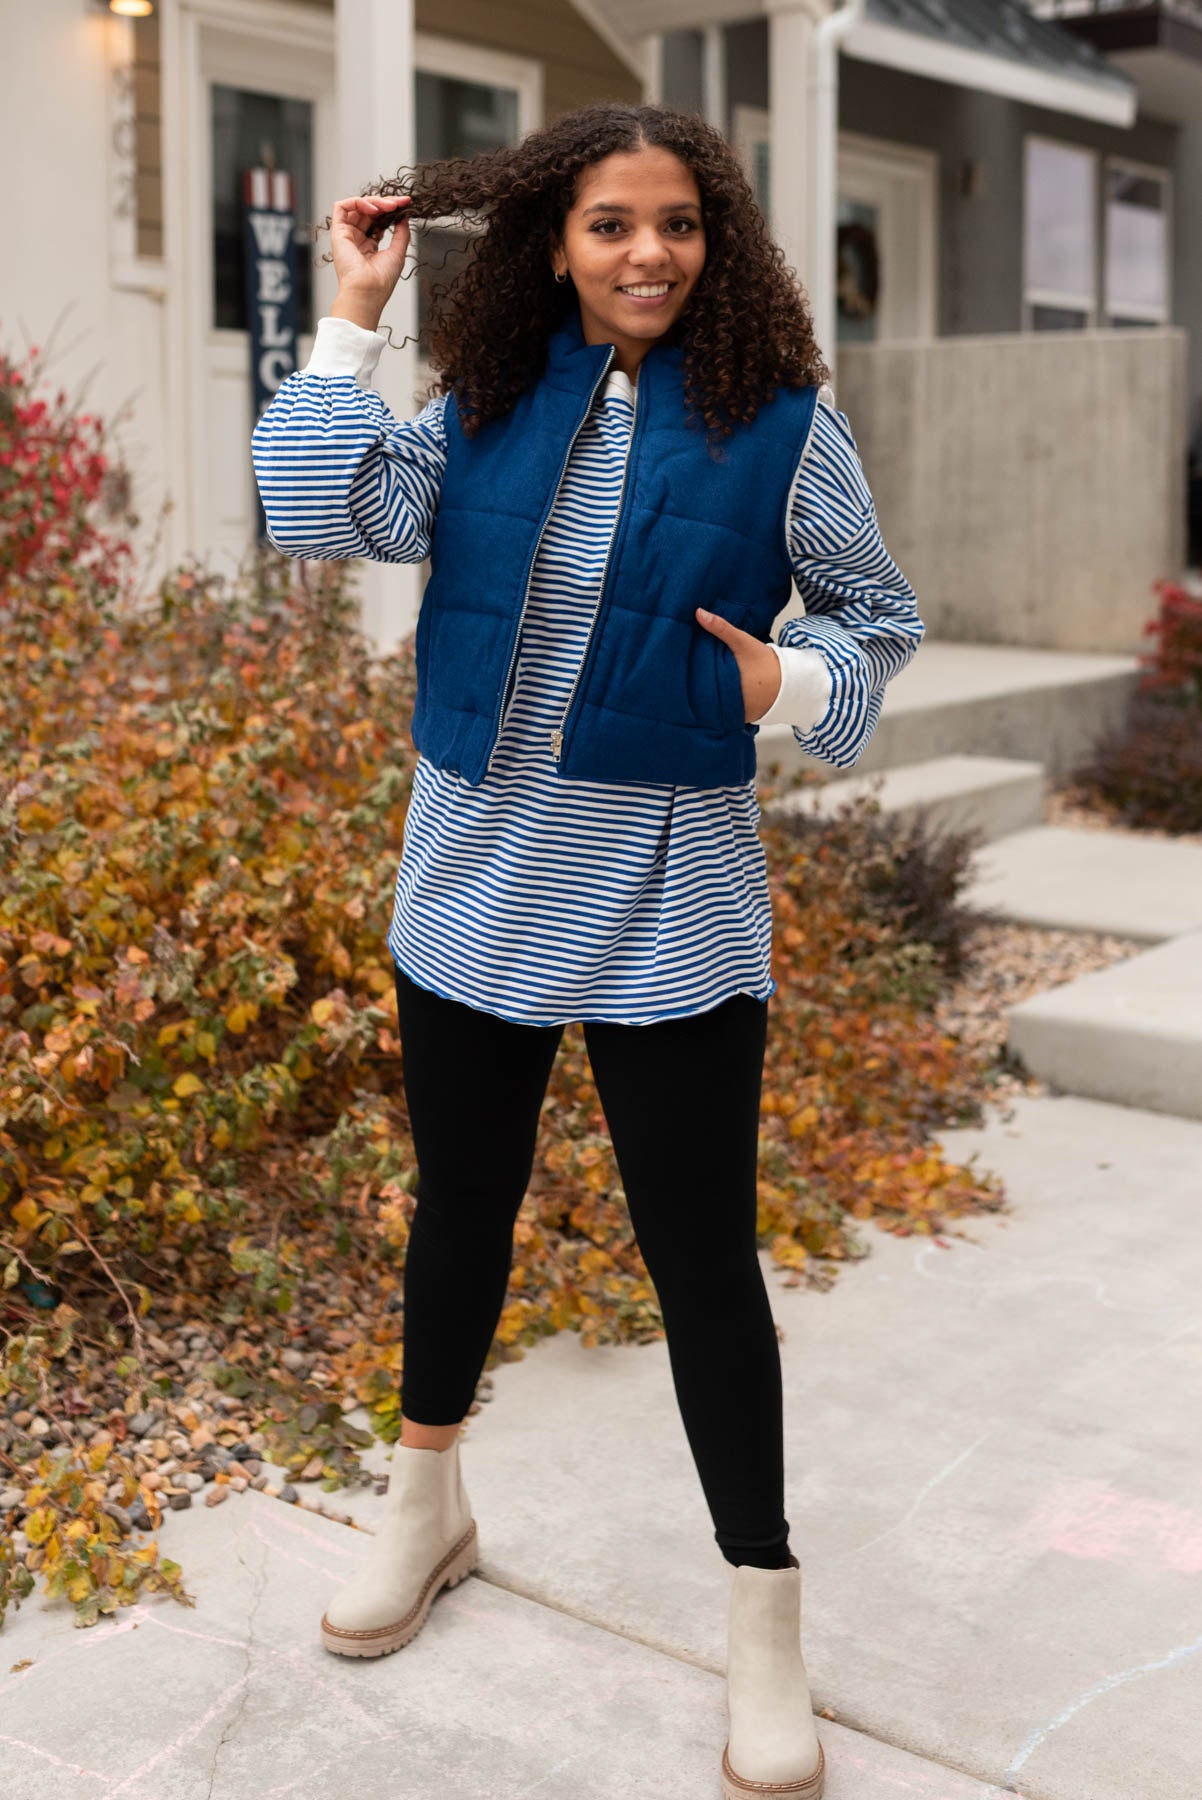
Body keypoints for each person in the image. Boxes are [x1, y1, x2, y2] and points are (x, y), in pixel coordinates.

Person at [252, 100, 923, 1800]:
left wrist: (790, 687)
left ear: (720, 245)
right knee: (458, 1214)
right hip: (469, 882)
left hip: (667, 905)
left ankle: (762, 1615)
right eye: (612, 223)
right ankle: (428, 1509)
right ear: (553, 240)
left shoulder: (781, 426)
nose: (646, 254)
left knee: (702, 1269)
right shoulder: (475, 402)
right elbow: (306, 507)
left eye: (679, 225)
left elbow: (876, 621)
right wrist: (352, 309)